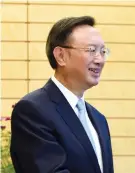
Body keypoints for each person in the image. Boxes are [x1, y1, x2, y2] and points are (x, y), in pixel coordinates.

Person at [10, 16, 114, 173]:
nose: (100, 60)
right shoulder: (32, 111)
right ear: (61, 56)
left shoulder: (98, 119)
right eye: (91, 50)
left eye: (103, 51)